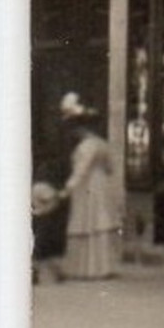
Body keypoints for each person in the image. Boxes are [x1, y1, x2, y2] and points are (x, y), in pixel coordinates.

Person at [59, 94, 124, 281]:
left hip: (87, 187)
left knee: (87, 221)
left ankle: (86, 269)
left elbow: (80, 171)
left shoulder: (87, 146)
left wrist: (67, 188)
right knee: (98, 222)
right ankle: (102, 266)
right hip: (102, 185)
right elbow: (111, 168)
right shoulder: (102, 144)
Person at [31, 99, 73, 284]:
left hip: (44, 215)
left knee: (44, 248)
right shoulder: (44, 184)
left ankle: (52, 272)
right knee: (44, 247)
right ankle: (45, 272)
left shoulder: (39, 181)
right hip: (47, 216)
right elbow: (50, 195)